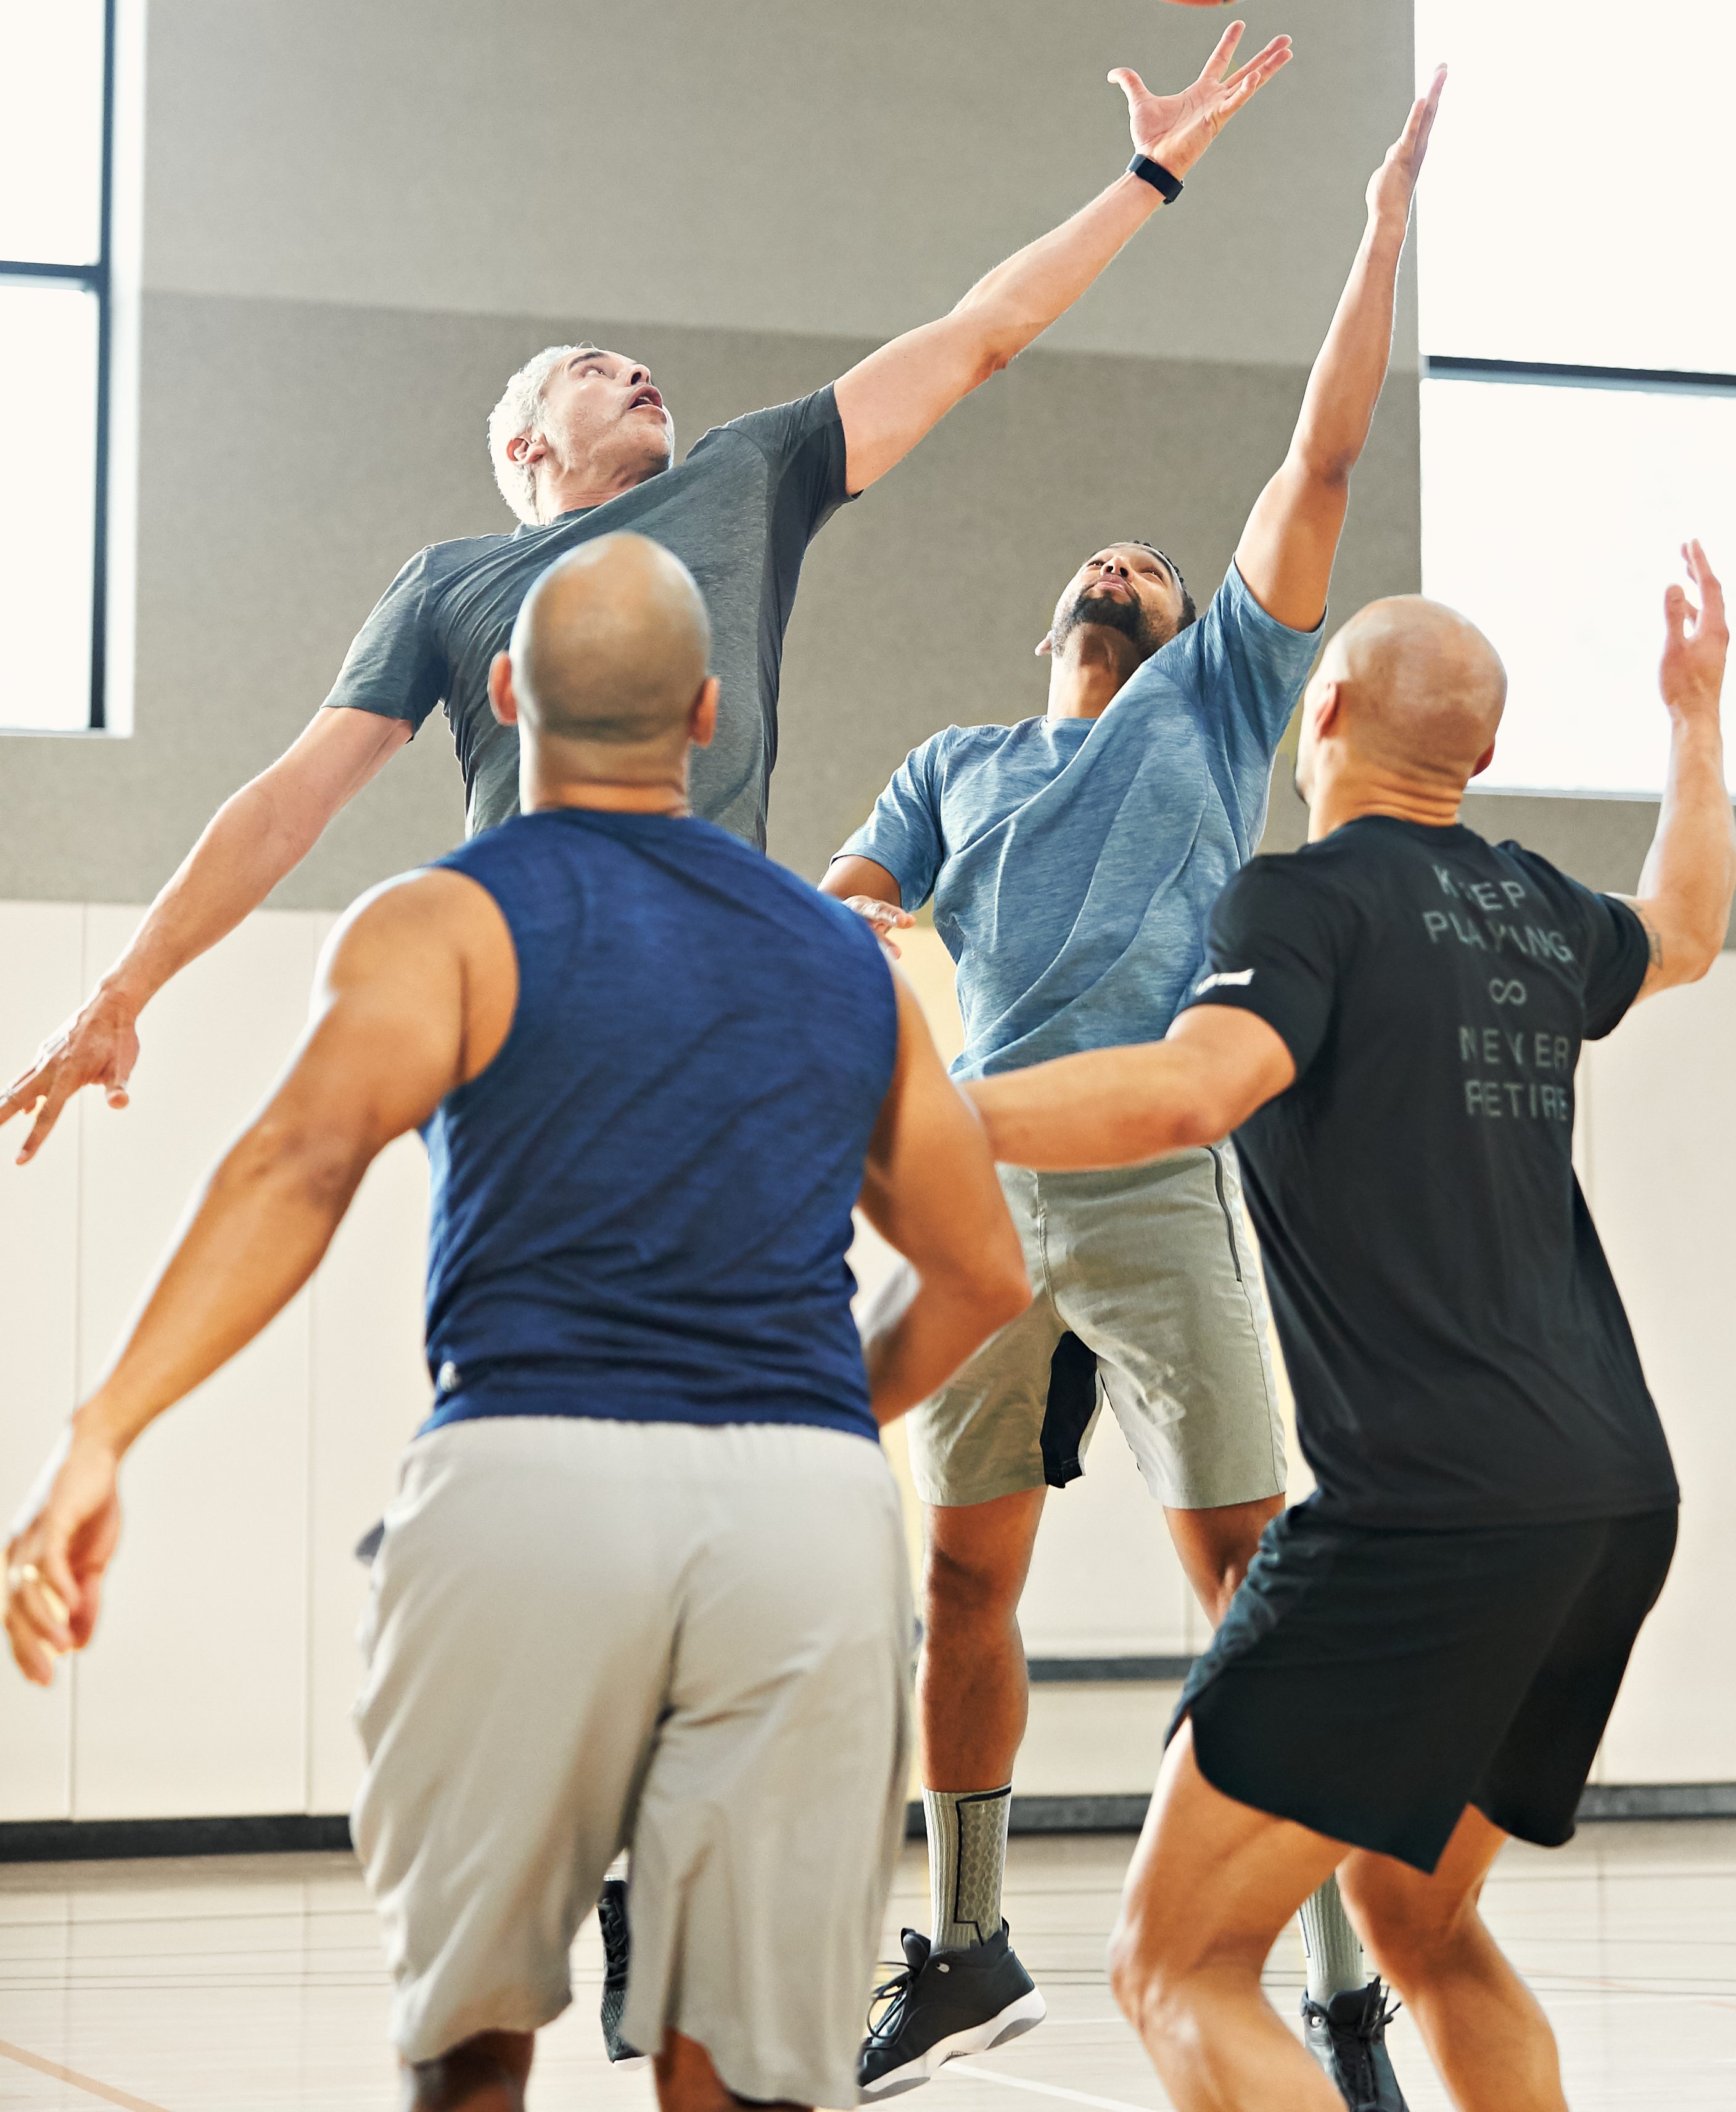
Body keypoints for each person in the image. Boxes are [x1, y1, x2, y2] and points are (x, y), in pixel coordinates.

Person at [4, 534, 1032, 2112]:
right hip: (802, 1512)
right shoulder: (843, 955)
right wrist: (818, 1417)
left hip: (525, 1482)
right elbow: (978, 1273)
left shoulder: (441, 921)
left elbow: (298, 1163)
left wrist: (104, 1430)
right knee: (743, 2077)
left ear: (499, 692)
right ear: (708, 713)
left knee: (473, 2054)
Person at [1, 20, 1291, 1165]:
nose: (636, 374)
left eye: (639, 365)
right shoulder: (451, 582)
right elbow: (290, 800)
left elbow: (975, 337)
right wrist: (125, 986)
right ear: (524, 448)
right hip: (529, 978)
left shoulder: (749, 472)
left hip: (721, 980)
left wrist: (1149, 175)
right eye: (593, 369)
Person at [822, 75, 1444, 2108]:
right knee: (963, 1580)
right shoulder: (958, 760)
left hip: (1160, 1171)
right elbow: (846, 909)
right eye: (1101, 562)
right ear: (1049, 623)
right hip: (978, 1189)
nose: (1125, 567)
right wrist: (878, 972)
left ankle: (1340, 1983)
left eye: (1154, 566)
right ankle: (968, 1931)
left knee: (1252, 1574)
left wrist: (1378, 226)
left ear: (1194, 631)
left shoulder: (1224, 693)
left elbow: (1323, 448)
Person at [966, 550, 1736, 2112]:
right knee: (1415, 1913)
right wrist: (1695, 717)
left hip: (1424, 1510)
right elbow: (1687, 922)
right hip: (1608, 1505)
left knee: (1172, 1964)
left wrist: (923, 1112)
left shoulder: (1297, 900)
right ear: (1486, 757)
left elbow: (1191, 1088)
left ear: (1315, 710)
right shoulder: (1533, 905)